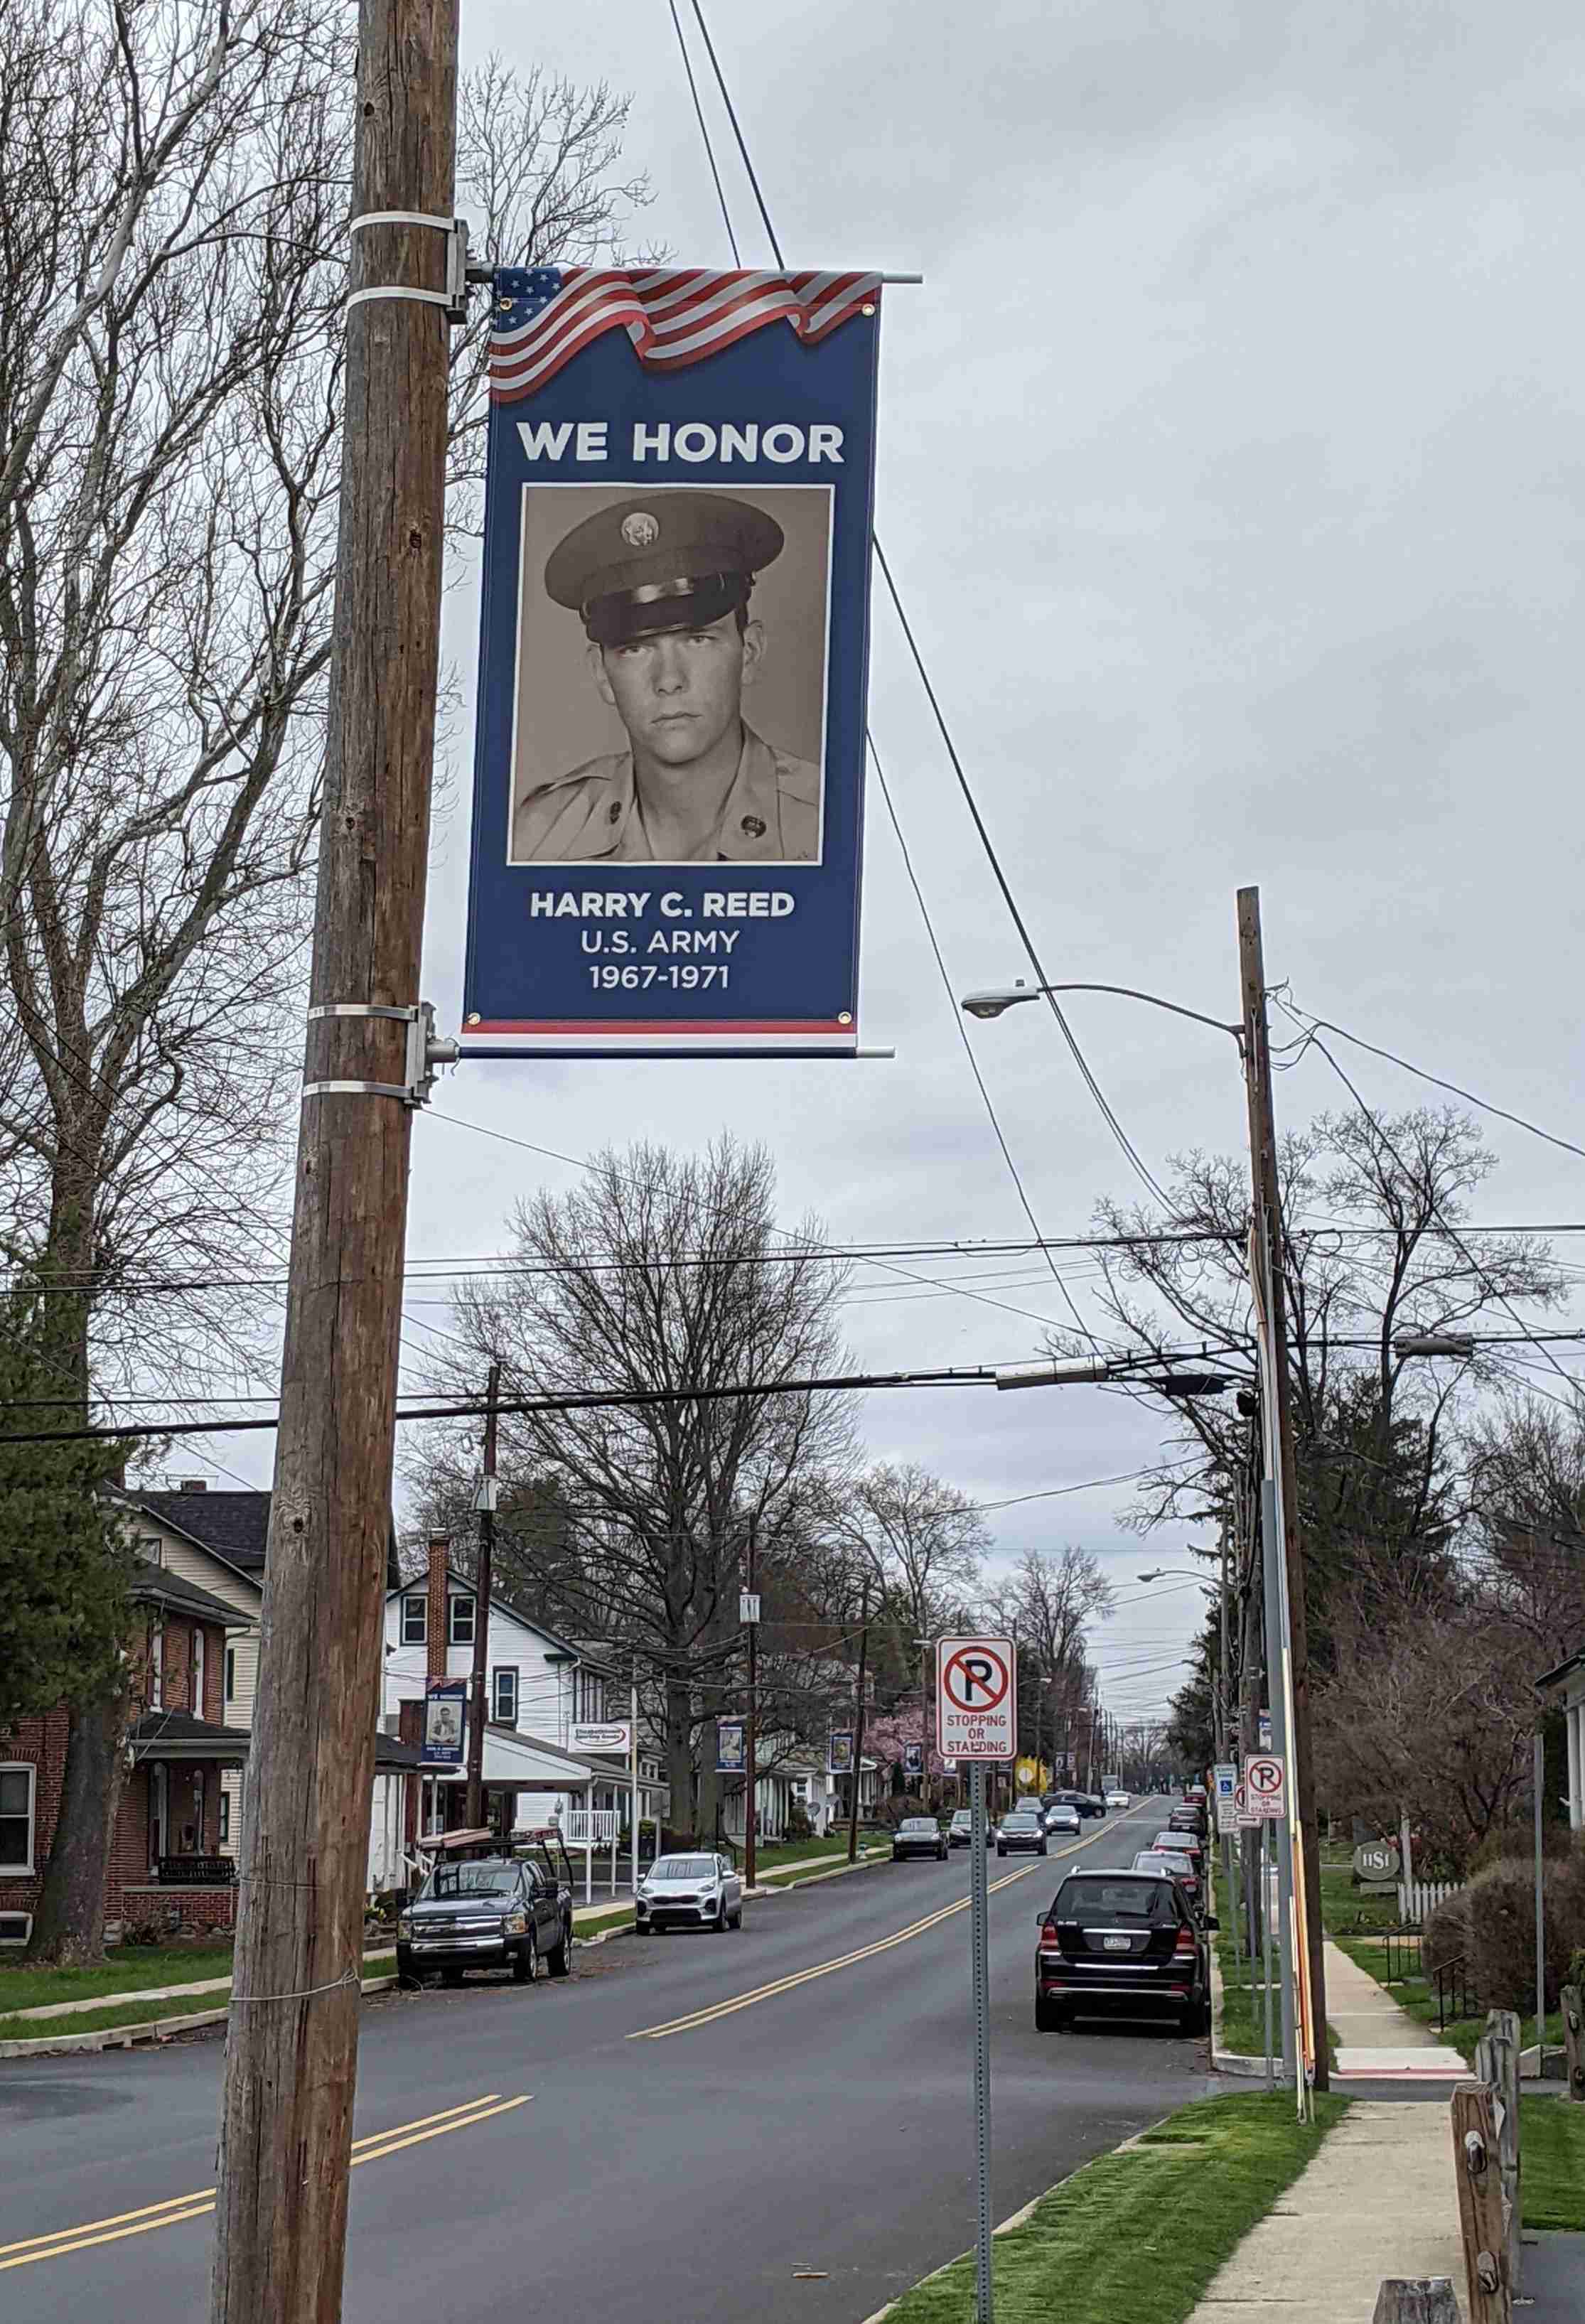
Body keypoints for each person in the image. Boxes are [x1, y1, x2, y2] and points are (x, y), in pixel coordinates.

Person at [513, 490, 822, 862]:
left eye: (698, 639)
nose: (669, 680)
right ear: (601, 673)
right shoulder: (541, 835)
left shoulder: (827, 824)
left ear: (750, 652)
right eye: (635, 649)